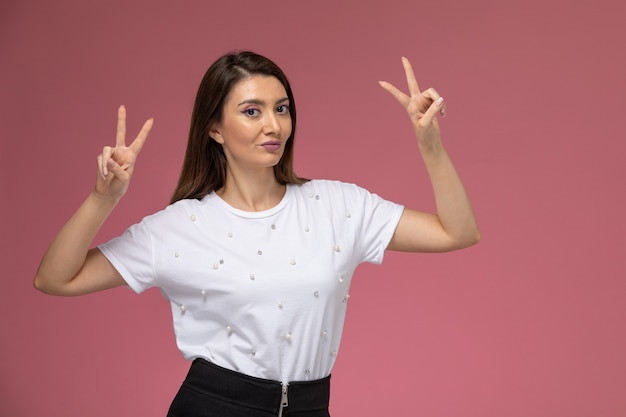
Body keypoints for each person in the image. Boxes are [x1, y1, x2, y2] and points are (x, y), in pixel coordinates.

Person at [34, 51, 479, 417]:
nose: (274, 125)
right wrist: (102, 197)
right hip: (214, 407)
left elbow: (457, 232)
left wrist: (431, 147)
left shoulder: (338, 206)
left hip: (311, 407)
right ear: (214, 129)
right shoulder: (179, 227)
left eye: (281, 108)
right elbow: (55, 278)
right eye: (252, 111)